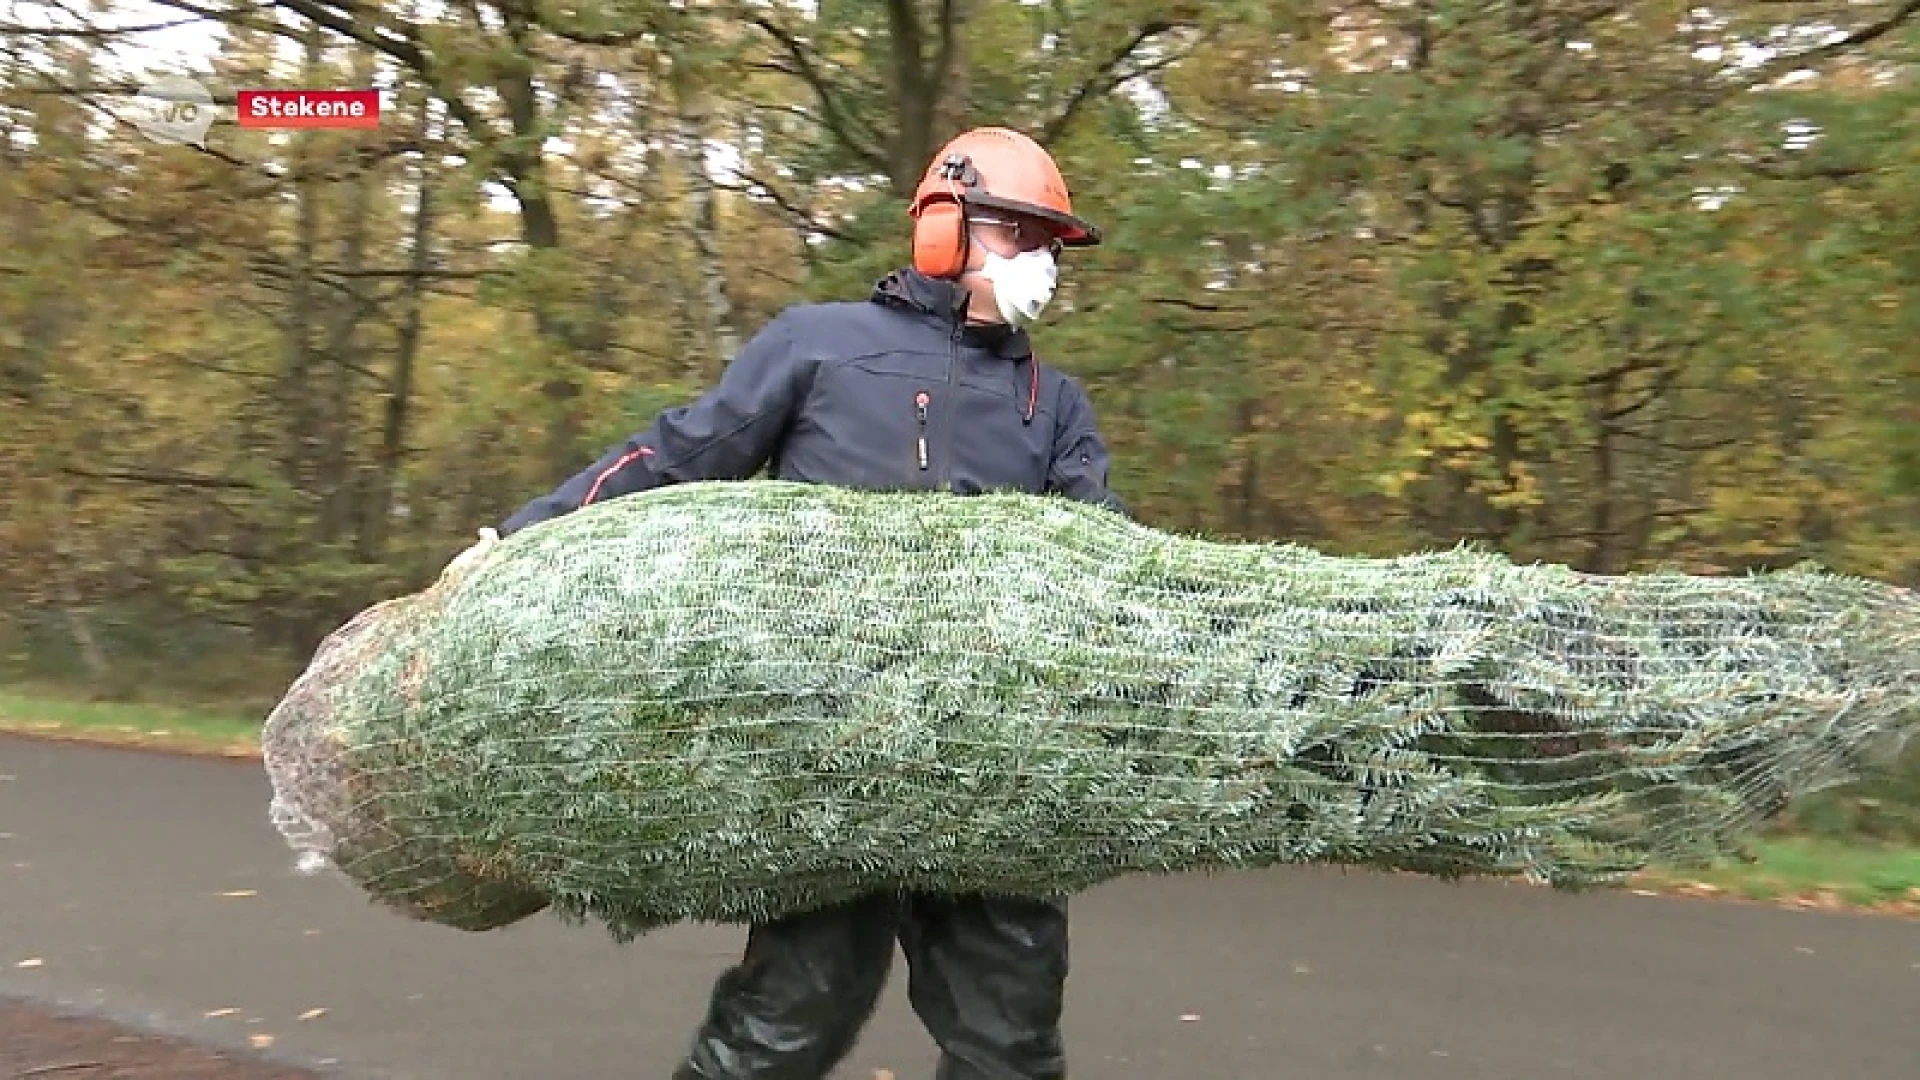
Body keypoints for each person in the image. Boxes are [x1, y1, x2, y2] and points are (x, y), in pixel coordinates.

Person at [482, 126, 1126, 1080]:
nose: (1038, 262)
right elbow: (678, 456)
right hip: (829, 751)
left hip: (988, 766)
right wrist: (520, 538)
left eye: (1048, 245)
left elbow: (1106, 557)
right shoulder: (822, 346)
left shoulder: (1054, 401)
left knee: (1011, 1042)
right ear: (945, 230)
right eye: (1018, 234)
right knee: (787, 1022)